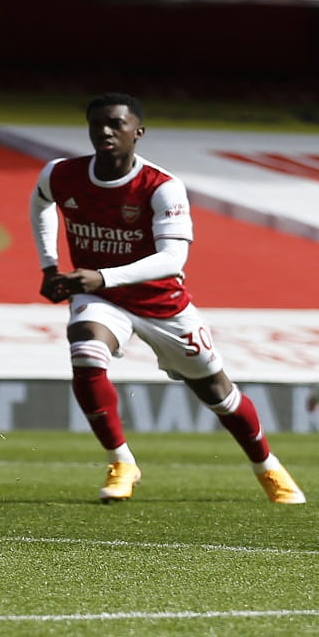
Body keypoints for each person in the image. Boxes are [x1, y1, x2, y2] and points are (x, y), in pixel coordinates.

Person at [33, 93, 303, 505]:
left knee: (219, 394)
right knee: (85, 352)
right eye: (97, 124)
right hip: (100, 297)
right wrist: (50, 266)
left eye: (116, 124)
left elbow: (173, 259)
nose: (104, 131)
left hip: (162, 305)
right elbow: (40, 203)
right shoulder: (60, 173)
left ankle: (267, 465)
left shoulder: (161, 186)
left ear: (137, 132)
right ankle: (121, 462)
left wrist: (101, 275)